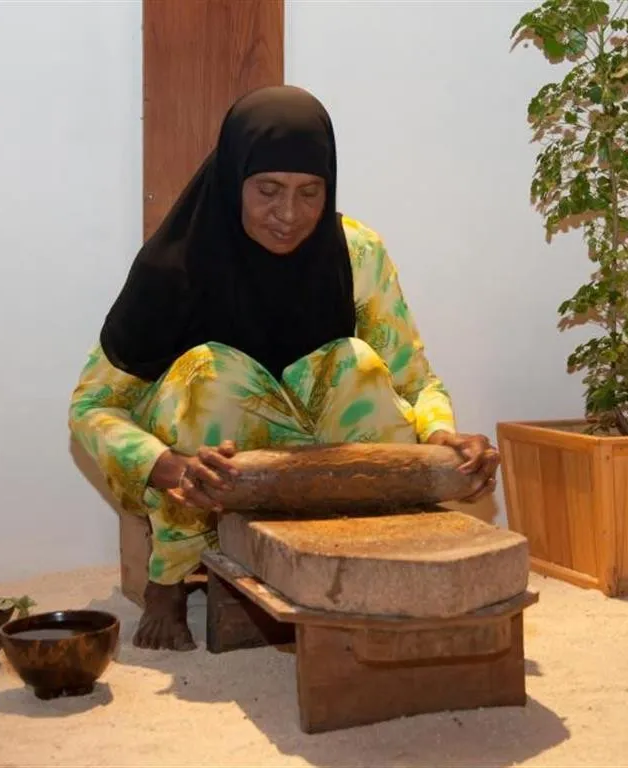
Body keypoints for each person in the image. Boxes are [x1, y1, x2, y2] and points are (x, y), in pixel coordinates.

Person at [68, 85, 500, 651]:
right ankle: (169, 576)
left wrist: (442, 436)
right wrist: (167, 467)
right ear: (233, 182)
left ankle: (378, 551)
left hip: (322, 462)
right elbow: (91, 407)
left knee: (353, 362)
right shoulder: (176, 266)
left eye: (309, 192)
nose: (289, 215)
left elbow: (412, 381)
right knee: (213, 373)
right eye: (268, 191)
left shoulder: (355, 253)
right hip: (208, 471)